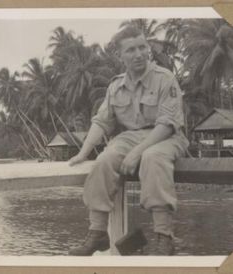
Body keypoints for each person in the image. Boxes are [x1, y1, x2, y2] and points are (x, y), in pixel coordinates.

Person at [68, 26, 189, 256]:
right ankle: (98, 233)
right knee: (104, 160)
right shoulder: (116, 86)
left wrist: (137, 153)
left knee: (153, 158)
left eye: (143, 47)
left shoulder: (165, 78)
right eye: (131, 50)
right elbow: (102, 122)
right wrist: (83, 152)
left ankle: (165, 236)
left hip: (166, 135)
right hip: (130, 137)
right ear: (120, 56)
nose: (139, 54)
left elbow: (167, 124)